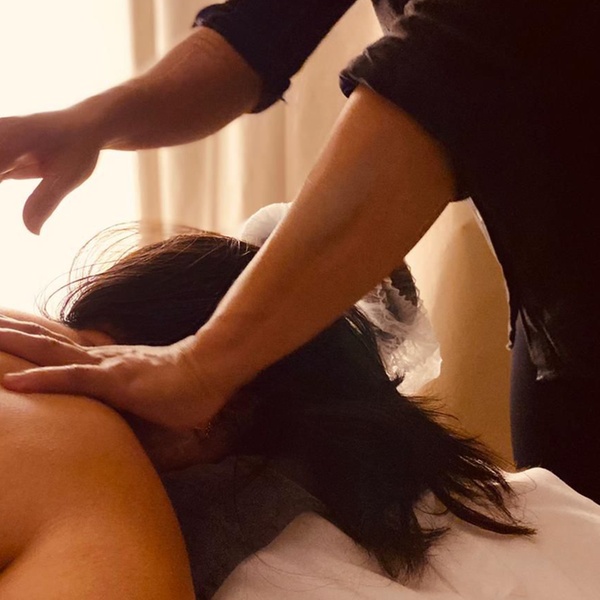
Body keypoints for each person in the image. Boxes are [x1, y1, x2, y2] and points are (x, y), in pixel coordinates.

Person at [0, 2, 598, 501]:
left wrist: (202, 366)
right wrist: (93, 120)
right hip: (555, 304)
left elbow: (443, 76)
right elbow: (256, 34)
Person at [2, 224, 600, 600]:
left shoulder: (262, 577)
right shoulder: (525, 496)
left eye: (98, 363)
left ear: (217, 414)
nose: (70, 382)